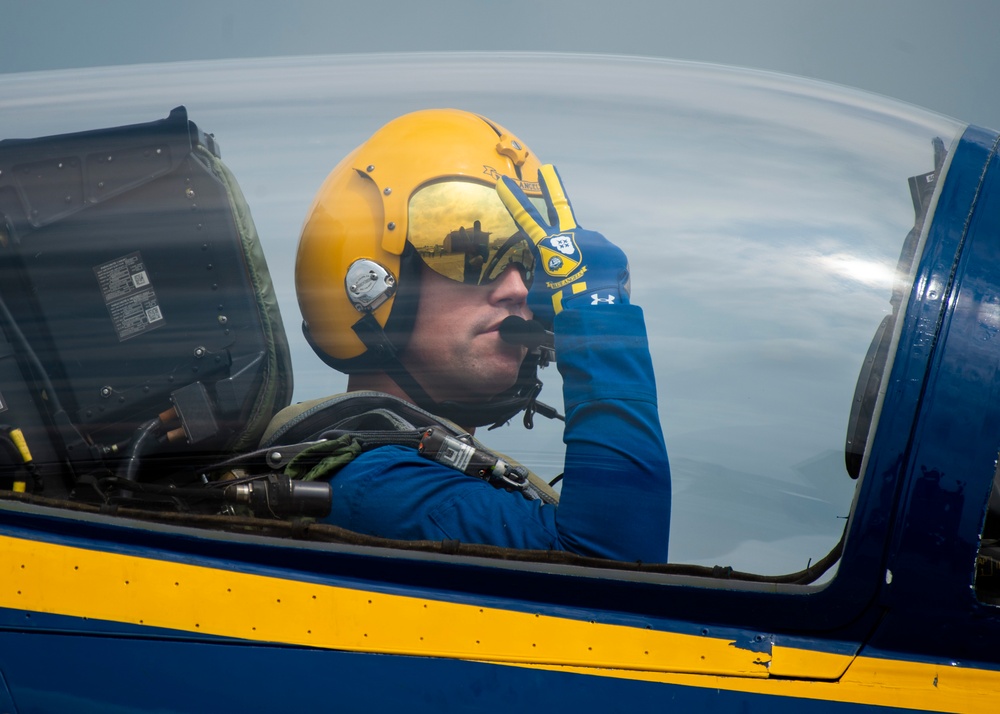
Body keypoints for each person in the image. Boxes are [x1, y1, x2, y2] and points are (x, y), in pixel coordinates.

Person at [290, 109, 670, 562]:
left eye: (531, 261)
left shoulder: (426, 472)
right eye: (471, 254)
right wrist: (601, 326)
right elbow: (615, 566)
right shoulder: (381, 489)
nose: (518, 289)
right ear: (371, 278)